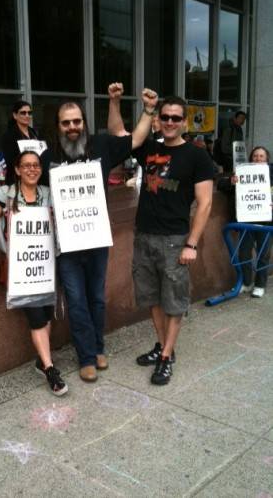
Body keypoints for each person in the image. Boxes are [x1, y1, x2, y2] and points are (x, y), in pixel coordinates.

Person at [42, 86, 158, 382]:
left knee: (96, 297)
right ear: (58, 126)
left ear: (84, 122)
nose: (72, 127)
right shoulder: (48, 156)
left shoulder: (101, 146)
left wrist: (148, 110)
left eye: (77, 121)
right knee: (77, 300)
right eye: (66, 123)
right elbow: (31, 187)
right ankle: (86, 357)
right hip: (66, 244)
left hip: (96, 239)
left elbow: (136, 139)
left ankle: (98, 347)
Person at [108, 87, 213, 386]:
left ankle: (166, 357)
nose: (169, 122)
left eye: (175, 118)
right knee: (152, 298)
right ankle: (163, 346)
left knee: (174, 301)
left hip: (174, 240)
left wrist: (191, 243)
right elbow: (118, 132)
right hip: (145, 236)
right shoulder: (148, 148)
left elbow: (205, 203)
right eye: (164, 117)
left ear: (184, 122)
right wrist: (116, 101)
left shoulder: (196, 155)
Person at [0, 150, 68, 396]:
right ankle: (50, 369)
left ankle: (41, 359)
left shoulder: (48, 193)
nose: (31, 169)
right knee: (36, 316)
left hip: (46, 264)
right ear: (17, 170)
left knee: (47, 313)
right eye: (26, 165)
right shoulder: (7, 194)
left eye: (36, 165)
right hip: (21, 268)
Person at [218, 146, 273, 298]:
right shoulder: (241, 172)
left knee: (263, 255)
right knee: (243, 254)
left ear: (267, 159)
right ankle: (247, 282)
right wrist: (231, 181)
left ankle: (260, 285)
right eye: (255, 156)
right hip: (245, 221)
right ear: (251, 158)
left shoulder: (271, 174)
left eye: (262, 156)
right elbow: (220, 185)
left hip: (266, 222)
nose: (258, 159)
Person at [1, 100, 40, 185]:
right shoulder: (9, 135)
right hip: (16, 181)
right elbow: (10, 162)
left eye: (29, 113)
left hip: (35, 178)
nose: (27, 115)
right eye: (23, 113)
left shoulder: (34, 133)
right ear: (15, 115)